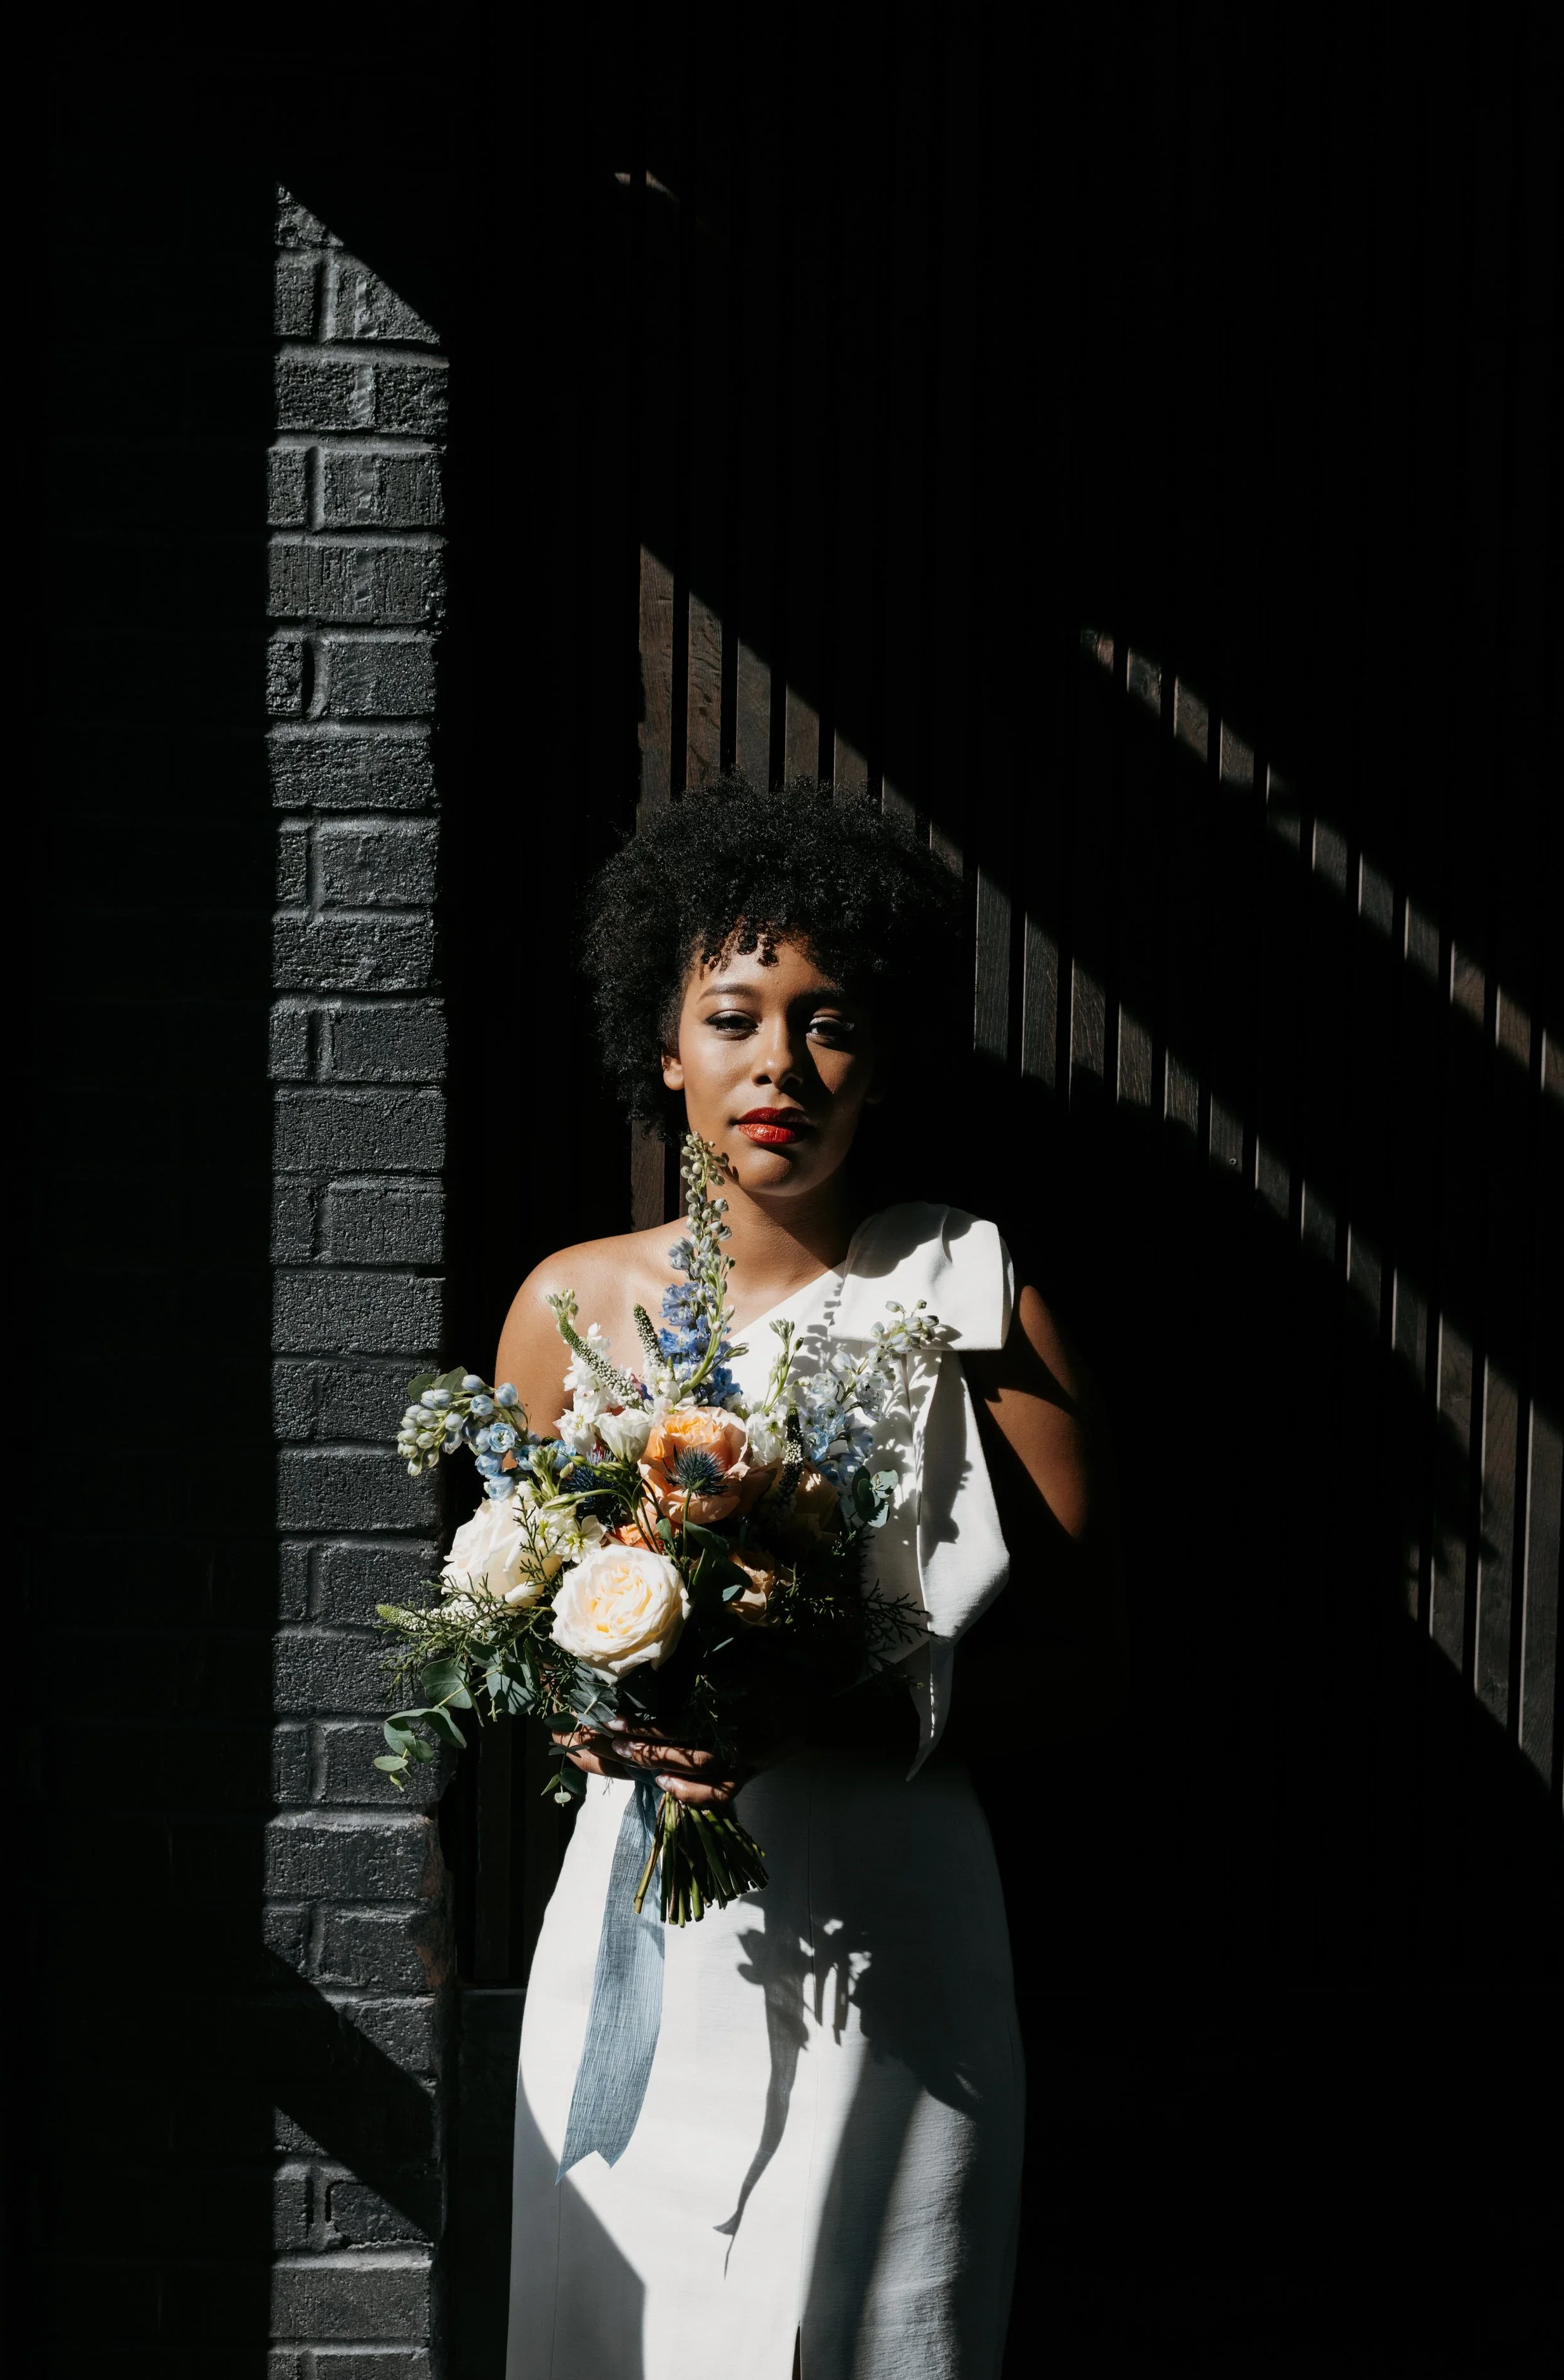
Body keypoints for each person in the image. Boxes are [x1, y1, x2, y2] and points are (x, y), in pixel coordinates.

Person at [497, 779, 1125, 2379]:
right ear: (665, 1048)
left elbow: (1088, 1664)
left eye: (828, 1019)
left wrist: (831, 1709)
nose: (781, 1063)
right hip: (642, 1922)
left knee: (860, 2329)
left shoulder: (973, 1293)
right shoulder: (564, 1309)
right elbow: (512, 1615)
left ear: (881, 1057)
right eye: (734, 1016)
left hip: (886, 1921)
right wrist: (582, 1707)